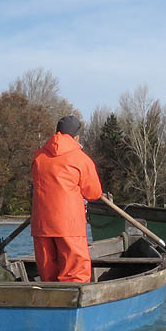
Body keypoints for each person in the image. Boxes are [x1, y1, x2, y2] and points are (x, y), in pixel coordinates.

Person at [31, 115, 102, 282]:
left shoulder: (38, 157)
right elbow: (93, 193)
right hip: (69, 225)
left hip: (42, 225)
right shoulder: (80, 159)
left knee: (48, 276)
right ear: (76, 136)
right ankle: (73, 304)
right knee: (75, 275)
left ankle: (51, 304)